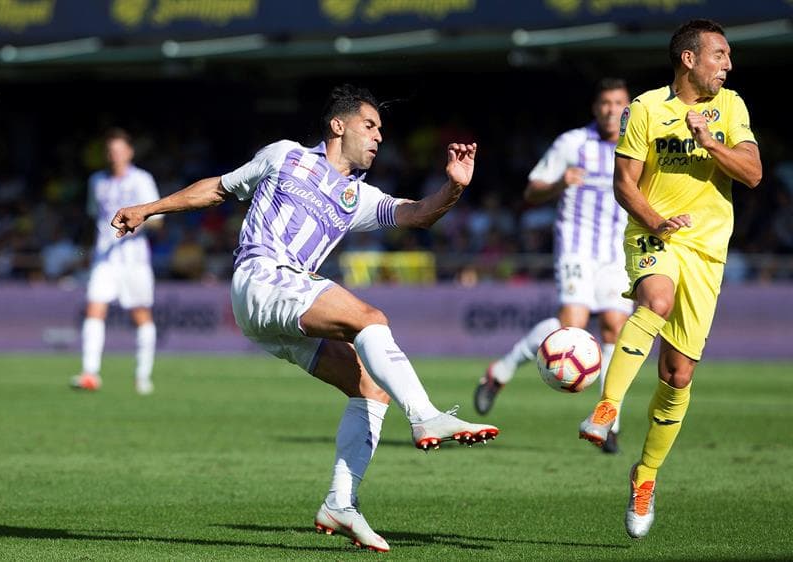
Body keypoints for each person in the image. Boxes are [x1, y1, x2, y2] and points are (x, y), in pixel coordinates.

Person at [109, 84, 499, 552]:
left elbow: (416, 214)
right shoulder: (285, 156)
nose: (378, 138)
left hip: (276, 307)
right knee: (369, 317)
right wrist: (148, 209)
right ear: (339, 125)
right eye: (370, 126)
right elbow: (218, 188)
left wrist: (453, 187)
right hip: (261, 275)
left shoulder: (358, 196)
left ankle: (340, 503)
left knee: (370, 388)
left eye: (381, 131)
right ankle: (427, 416)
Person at [577, 19, 761, 539]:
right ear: (689, 59)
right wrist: (656, 220)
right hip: (653, 233)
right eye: (719, 55)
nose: (727, 65)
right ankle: (607, 408)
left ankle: (645, 477)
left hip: (707, 249)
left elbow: (752, 173)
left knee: (678, 374)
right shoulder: (646, 108)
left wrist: (710, 141)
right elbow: (624, 183)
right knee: (654, 299)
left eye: (727, 57)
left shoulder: (732, 107)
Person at [474, 78, 633, 453]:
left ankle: (609, 423)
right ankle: (502, 371)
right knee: (572, 328)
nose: (611, 109)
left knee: (614, 327)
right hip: (577, 248)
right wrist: (560, 183)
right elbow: (531, 190)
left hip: (618, 252)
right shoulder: (572, 143)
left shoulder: (638, 143)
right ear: (596, 108)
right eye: (605, 103)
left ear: (628, 108)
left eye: (618, 103)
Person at [71, 128, 162, 395]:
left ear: (130, 152)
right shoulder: (96, 181)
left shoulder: (142, 180)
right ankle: (90, 373)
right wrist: (88, 250)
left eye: (120, 151)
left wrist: (138, 224)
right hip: (104, 258)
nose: (115, 156)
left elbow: (158, 220)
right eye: (111, 151)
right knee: (94, 309)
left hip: (134, 260)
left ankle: (142, 376)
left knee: (141, 315)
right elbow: (93, 218)